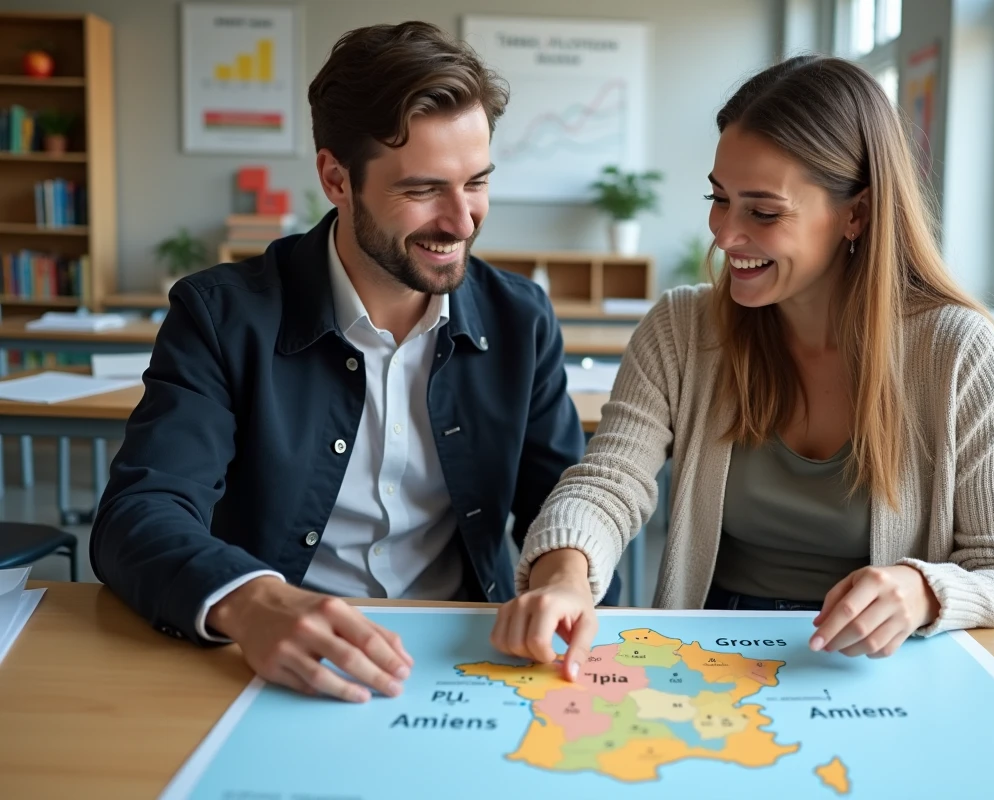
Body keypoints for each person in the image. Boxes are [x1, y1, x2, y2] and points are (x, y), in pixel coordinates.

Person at [91, 21, 618, 703]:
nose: (462, 221)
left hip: (466, 659)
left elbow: (559, 501)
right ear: (337, 179)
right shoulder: (222, 316)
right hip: (274, 660)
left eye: (478, 182)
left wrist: (565, 575)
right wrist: (251, 603)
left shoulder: (521, 318)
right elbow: (140, 513)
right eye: (425, 190)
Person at [492, 55, 994, 679]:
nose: (725, 235)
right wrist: (565, 575)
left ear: (856, 215)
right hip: (712, 655)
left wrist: (923, 591)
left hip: (879, 665)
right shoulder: (683, 328)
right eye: (719, 198)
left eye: (763, 212)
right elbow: (607, 483)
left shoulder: (958, 352)